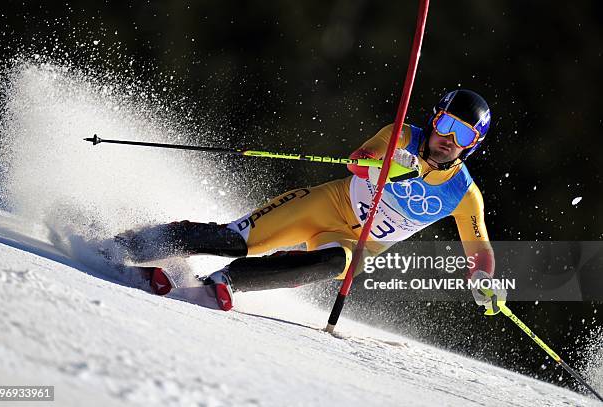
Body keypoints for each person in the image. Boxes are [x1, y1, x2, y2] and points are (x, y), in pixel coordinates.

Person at [114, 89, 503, 312]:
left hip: (357, 242)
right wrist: (388, 165)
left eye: (463, 135)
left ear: (473, 146)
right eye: (445, 124)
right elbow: (356, 162)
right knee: (237, 239)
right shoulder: (401, 135)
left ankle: (225, 282)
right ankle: (131, 242)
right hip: (326, 205)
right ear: (434, 120)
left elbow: (478, 247)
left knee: (338, 262)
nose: (448, 138)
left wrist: (483, 277)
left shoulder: (463, 194)